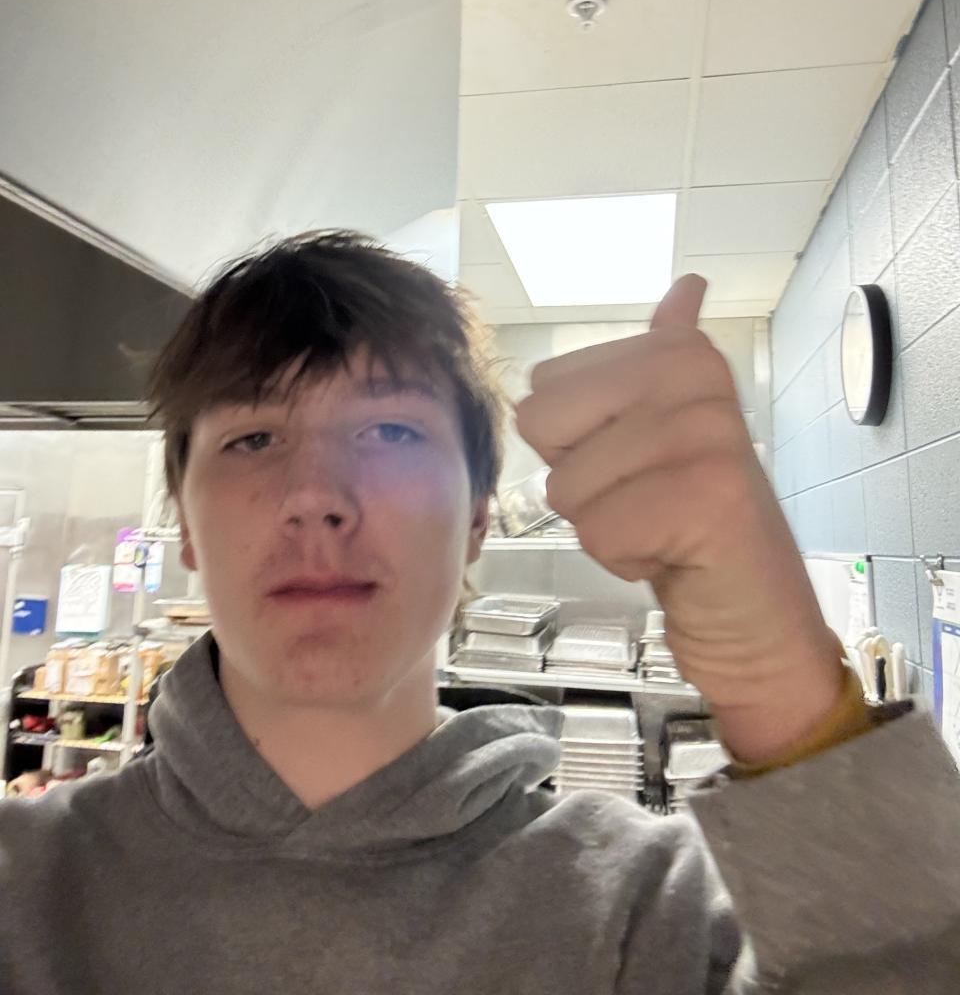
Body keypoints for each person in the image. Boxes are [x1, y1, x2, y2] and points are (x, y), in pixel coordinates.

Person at [0, 229, 958, 994]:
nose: (316, 497)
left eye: (389, 429)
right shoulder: (25, 890)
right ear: (186, 525)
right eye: (253, 438)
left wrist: (784, 688)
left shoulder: (659, 915)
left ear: (474, 521)